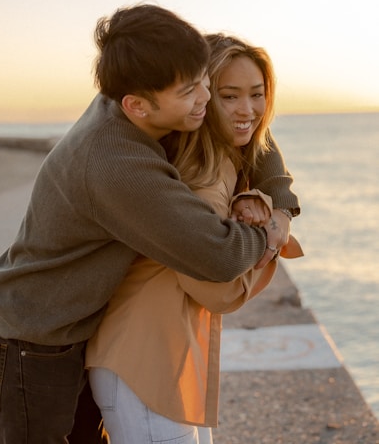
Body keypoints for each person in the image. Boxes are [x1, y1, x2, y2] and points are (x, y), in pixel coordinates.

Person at [0, 4, 298, 444]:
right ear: (138, 106)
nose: (206, 100)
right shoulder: (119, 166)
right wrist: (270, 232)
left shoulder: (139, 87)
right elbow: (219, 256)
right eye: (195, 91)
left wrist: (280, 202)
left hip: (85, 326)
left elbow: (250, 126)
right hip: (36, 341)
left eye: (207, 85)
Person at [85, 33, 302, 443]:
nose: (248, 109)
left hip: (161, 356)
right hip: (144, 362)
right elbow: (216, 289)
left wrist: (271, 203)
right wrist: (271, 242)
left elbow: (263, 140)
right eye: (229, 95)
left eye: (257, 94)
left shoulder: (214, 155)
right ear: (201, 98)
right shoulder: (203, 173)